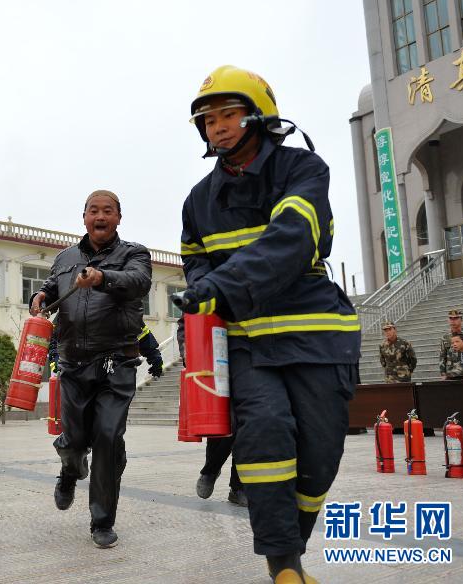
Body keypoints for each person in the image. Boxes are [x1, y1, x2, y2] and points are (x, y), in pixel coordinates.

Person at [173, 65, 360, 583]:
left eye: (228, 115)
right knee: (264, 435)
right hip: (247, 340)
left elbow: (292, 239)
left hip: (315, 333)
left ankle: (293, 544)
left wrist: (217, 286)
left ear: (259, 114)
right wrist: (201, 291)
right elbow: (195, 261)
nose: (217, 128)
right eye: (208, 121)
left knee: (320, 453)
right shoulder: (197, 200)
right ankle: (284, 566)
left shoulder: (303, 169)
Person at [30, 189, 151, 549]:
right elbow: (52, 288)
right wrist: (39, 296)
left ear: (118, 218)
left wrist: (101, 277)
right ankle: (69, 470)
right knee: (73, 440)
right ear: (84, 217)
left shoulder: (134, 254)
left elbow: (138, 282)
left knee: (108, 438)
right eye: (93, 210)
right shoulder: (65, 257)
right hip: (73, 364)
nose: (100, 216)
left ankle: (102, 521)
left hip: (117, 363)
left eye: (108, 211)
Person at [177, 317, 247, 506]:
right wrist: (187, 348)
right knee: (221, 423)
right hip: (214, 359)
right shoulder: (207, 296)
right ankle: (211, 470)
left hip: (250, 360)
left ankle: (238, 487)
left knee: (246, 425)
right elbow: (186, 321)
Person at [440, 309, 463, 380]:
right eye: (450, 318)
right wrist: (443, 373)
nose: (453, 321)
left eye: (456, 318)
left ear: (461, 320)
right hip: (450, 375)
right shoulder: (445, 337)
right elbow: (442, 356)